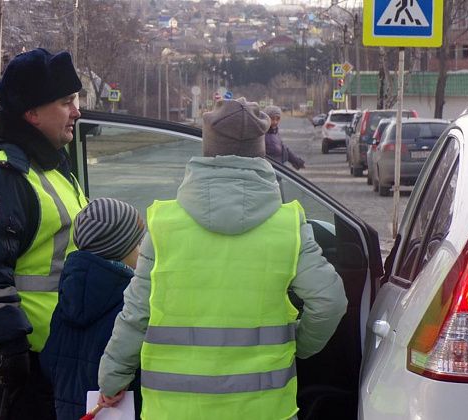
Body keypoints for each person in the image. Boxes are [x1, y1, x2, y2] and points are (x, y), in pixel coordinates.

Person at [97, 98, 347, 419]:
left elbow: (136, 315)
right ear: (260, 152)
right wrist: (299, 344)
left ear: (207, 149)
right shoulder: (288, 226)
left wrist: (112, 379)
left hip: (175, 411)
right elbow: (330, 301)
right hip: (264, 410)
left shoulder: (164, 225)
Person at [0, 48, 87, 420]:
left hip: (50, 356)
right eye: (66, 102)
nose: (76, 112)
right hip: (18, 362)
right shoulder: (4, 175)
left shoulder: (50, 167)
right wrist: (13, 348)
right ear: (32, 114)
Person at [40, 198, 145, 420]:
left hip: (70, 410)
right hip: (116, 409)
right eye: (137, 244)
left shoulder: (68, 293)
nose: (141, 251)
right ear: (120, 248)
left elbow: (49, 361)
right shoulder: (129, 301)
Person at [263, 105, 305, 170]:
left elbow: (284, 149)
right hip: (269, 173)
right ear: (266, 119)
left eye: (277, 119)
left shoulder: (274, 132)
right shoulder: (262, 135)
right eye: (272, 119)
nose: (275, 122)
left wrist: (297, 161)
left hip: (278, 171)